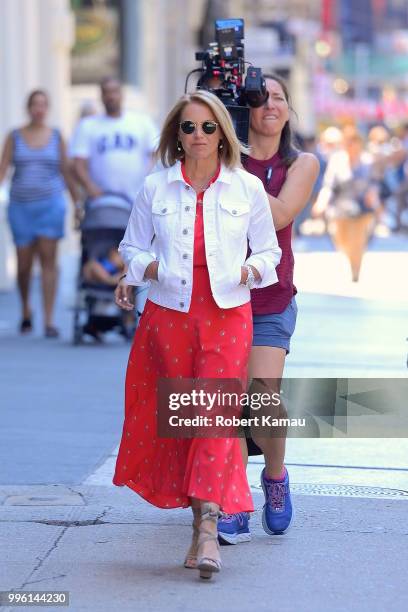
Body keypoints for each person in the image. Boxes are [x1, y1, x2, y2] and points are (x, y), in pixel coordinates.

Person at [112, 90, 282, 580]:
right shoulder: (155, 188)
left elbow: (268, 252)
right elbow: (131, 246)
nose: (200, 136)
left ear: (223, 134)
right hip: (169, 317)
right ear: (177, 136)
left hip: (228, 316)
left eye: (209, 128)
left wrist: (252, 268)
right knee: (186, 421)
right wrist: (146, 270)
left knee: (213, 417)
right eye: (189, 128)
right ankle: (197, 524)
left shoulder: (245, 188)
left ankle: (209, 530)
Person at [217, 74, 319, 545]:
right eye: (260, 99)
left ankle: (274, 478)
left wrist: (233, 171)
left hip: (271, 298)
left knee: (262, 397)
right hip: (220, 297)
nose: (270, 105)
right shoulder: (220, 158)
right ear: (245, 111)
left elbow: (279, 215)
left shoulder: (301, 163)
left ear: (289, 110)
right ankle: (234, 501)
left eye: (279, 97)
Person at [0, 89, 78, 337]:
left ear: (48, 108)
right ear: (28, 108)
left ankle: (49, 319)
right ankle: (25, 310)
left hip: (50, 205)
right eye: (35, 104)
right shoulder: (14, 136)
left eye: (43, 104)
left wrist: (78, 203)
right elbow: (3, 170)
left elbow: (66, 171)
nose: (39, 109)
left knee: (48, 262)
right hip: (21, 208)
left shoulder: (56, 136)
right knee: (23, 265)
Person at [71, 76, 159, 216]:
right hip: (100, 204)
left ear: (122, 94)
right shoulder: (88, 125)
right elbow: (78, 164)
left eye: (114, 91)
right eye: (106, 92)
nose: (111, 96)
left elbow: (157, 154)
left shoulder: (142, 122)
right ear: (101, 96)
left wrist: (146, 183)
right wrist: (90, 188)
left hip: (138, 203)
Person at [313, 129, 380, 282]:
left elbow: (374, 183)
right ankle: (352, 261)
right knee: (342, 241)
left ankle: (356, 269)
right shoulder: (337, 160)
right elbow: (328, 185)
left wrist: (373, 197)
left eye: (354, 143)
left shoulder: (367, 161)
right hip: (340, 210)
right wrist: (321, 202)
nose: (352, 147)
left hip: (362, 209)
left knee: (358, 242)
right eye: (349, 143)